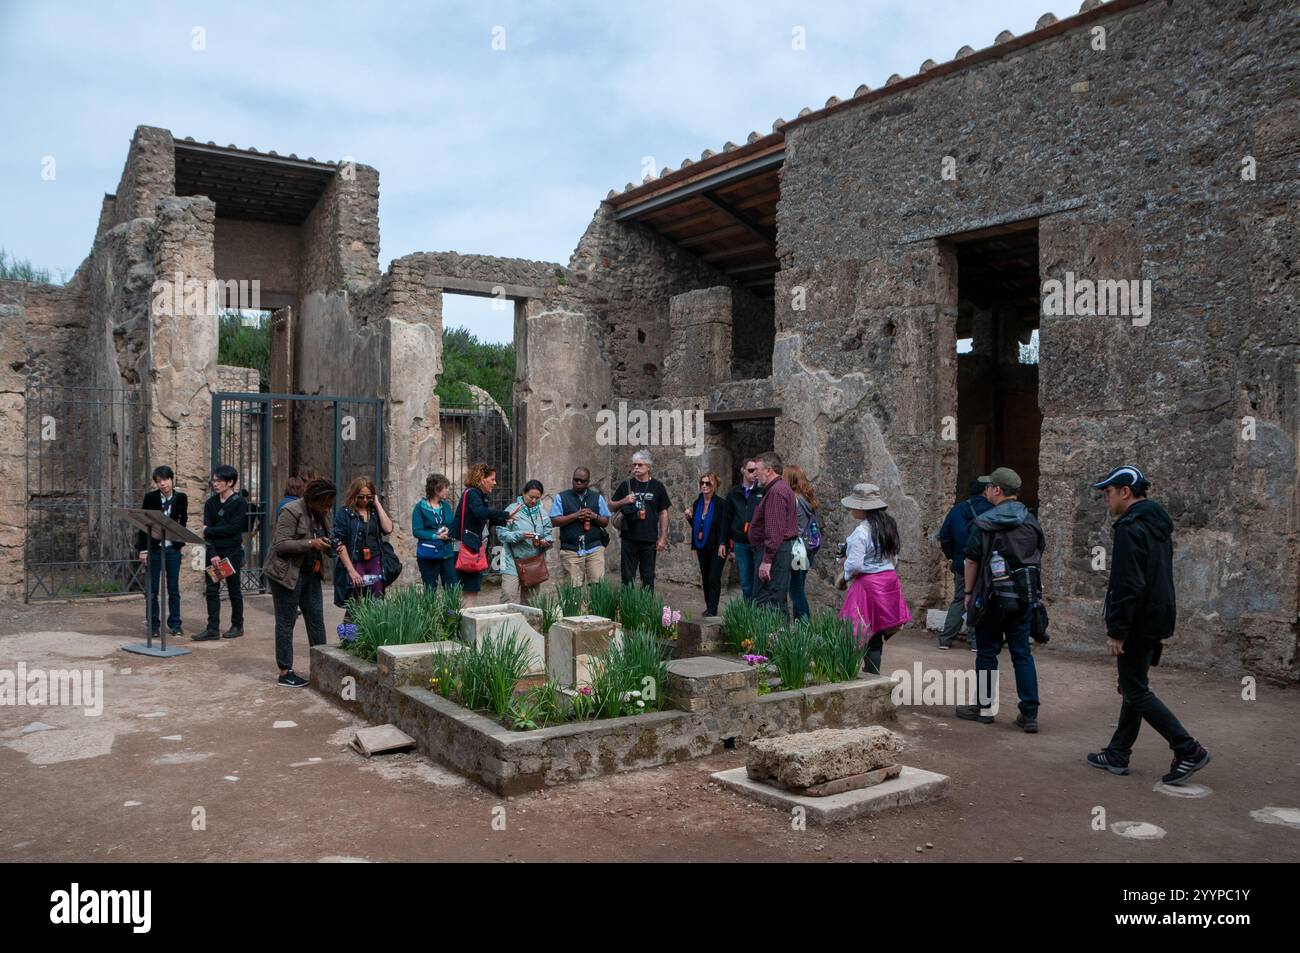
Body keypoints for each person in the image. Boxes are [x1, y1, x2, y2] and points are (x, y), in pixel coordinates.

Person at [1086, 465, 1211, 785]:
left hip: (1138, 621)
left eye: (1109, 493)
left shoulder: (1130, 527)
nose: (1107, 500)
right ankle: (1118, 751)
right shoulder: (1156, 524)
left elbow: (1128, 584)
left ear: (1125, 492)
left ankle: (1187, 748)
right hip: (1156, 615)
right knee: (1133, 685)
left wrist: (1117, 630)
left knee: (1135, 689)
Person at [955, 467, 1043, 733]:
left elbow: (971, 559)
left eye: (990, 487)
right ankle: (1029, 714)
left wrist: (968, 594)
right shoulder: (1031, 522)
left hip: (991, 596)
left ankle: (984, 709)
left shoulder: (984, 522)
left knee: (987, 652)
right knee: (1022, 654)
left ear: (997, 490)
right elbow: (1038, 555)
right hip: (1024, 596)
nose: (987, 491)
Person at [265, 478, 340, 688]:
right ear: (313, 498)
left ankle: (322, 666)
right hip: (286, 574)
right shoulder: (291, 510)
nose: (327, 509)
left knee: (316, 620)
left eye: (330, 505)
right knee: (286, 622)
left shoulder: (323, 514)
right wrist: (311, 543)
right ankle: (285, 671)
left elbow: (326, 536)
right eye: (324, 504)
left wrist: (330, 546)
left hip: (311, 574)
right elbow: (281, 544)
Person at [836, 483, 910, 675]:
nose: (851, 508)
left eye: (854, 505)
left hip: (868, 585)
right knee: (876, 631)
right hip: (887, 582)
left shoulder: (861, 533)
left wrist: (843, 577)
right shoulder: (888, 526)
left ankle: (847, 670)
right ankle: (872, 672)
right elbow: (894, 558)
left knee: (856, 629)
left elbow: (854, 565)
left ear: (862, 507)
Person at [937, 478, 993, 649]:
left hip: (962, 563)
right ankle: (976, 640)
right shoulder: (994, 510)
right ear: (986, 490)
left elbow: (944, 535)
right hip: (986, 564)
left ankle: (946, 639)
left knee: (960, 599)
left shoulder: (957, 510)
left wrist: (953, 556)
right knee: (981, 600)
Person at [194, 464, 247, 641]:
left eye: (219, 481)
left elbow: (234, 529)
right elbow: (206, 533)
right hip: (215, 553)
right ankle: (212, 628)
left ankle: (237, 624)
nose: (214, 484)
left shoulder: (239, 503)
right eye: (213, 480)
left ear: (230, 482)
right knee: (211, 590)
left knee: (234, 590)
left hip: (232, 552)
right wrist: (213, 553)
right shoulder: (211, 503)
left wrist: (210, 530)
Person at [135, 465, 188, 639]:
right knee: (152, 590)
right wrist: (143, 550)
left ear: (172, 480)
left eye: (165, 480)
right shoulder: (150, 498)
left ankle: (175, 624)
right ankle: (153, 626)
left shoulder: (181, 498)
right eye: (159, 481)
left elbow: (183, 522)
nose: (163, 484)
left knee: (173, 589)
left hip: (172, 549)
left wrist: (179, 543)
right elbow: (143, 526)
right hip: (154, 550)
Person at [453, 463, 518, 605]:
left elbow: (483, 519)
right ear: (482, 478)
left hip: (472, 547)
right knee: (470, 591)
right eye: (492, 479)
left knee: (471, 590)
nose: (495, 483)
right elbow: (480, 513)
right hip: (469, 548)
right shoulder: (473, 493)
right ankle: (466, 624)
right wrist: (505, 514)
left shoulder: (479, 495)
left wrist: (504, 520)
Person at [332, 476, 394, 619]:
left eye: (368, 497)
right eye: (361, 497)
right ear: (354, 495)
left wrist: (377, 504)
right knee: (355, 604)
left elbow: (388, 528)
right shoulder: (345, 514)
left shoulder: (373, 512)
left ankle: (371, 636)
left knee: (377, 601)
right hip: (356, 561)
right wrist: (351, 570)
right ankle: (349, 638)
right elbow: (338, 542)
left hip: (374, 560)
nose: (365, 501)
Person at [748, 451, 799, 618]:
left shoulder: (776, 491)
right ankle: (776, 641)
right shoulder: (776, 489)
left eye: (757, 469)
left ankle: (770, 642)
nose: (754, 474)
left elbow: (775, 530)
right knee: (774, 599)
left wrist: (767, 560)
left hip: (774, 552)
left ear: (769, 470)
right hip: (776, 550)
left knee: (769, 601)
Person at [611, 450, 671, 589]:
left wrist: (663, 538)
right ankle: (628, 606)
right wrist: (624, 500)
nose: (636, 468)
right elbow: (611, 506)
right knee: (627, 577)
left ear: (648, 466)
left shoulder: (657, 486)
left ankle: (646, 609)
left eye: (640, 465)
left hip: (649, 539)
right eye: (634, 465)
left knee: (648, 577)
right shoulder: (626, 485)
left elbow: (663, 512)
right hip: (629, 538)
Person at [497, 480, 555, 604]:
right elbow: (501, 534)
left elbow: (548, 533)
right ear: (523, 494)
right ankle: (506, 623)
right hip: (512, 560)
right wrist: (520, 535)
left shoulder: (542, 513)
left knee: (530, 601)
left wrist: (547, 541)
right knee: (508, 596)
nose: (534, 501)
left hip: (533, 562)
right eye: (531, 497)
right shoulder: (512, 510)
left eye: (537, 498)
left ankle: (528, 623)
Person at [550, 467, 610, 585]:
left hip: (594, 548)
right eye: (576, 480)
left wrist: (594, 516)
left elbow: (605, 521)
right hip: (571, 549)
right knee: (573, 590)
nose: (578, 483)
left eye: (582, 481)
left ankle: (594, 604)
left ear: (588, 482)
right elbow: (554, 521)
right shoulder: (561, 497)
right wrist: (575, 516)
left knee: (597, 587)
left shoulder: (597, 497)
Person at [682, 471, 729, 617]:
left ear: (714, 485)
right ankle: (709, 606)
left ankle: (713, 609)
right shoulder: (697, 503)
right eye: (702, 483)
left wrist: (723, 543)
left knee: (714, 577)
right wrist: (689, 518)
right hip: (702, 545)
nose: (704, 486)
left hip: (717, 546)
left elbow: (724, 526)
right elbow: (698, 527)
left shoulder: (721, 504)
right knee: (705, 577)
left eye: (707, 483)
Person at [725, 458, 764, 600]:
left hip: (758, 543)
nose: (754, 473)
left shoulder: (762, 491)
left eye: (756, 470)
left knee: (759, 580)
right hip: (740, 543)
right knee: (746, 582)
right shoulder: (734, 493)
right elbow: (727, 519)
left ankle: (759, 613)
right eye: (751, 470)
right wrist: (728, 545)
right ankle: (748, 614)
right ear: (742, 470)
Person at [785, 465, 820, 621]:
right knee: (799, 588)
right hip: (808, 548)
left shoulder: (793, 500)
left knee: (796, 591)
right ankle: (804, 624)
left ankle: (803, 625)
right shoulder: (806, 499)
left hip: (797, 550)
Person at [412, 473, 458, 591]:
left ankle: (451, 610)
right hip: (429, 554)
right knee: (430, 589)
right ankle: (430, 610)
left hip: (446, 552)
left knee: (452, 588)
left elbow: (452, 525)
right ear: (437, 490)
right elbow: (417, 531)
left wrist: (449, 531)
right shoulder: (420, 507)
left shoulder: (446, 506)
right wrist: (435, 536)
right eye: (445, 487)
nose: (448, 490)